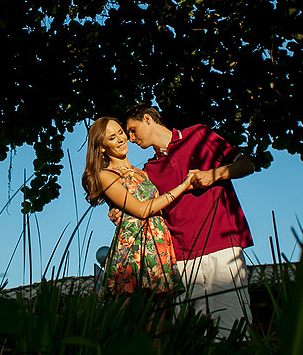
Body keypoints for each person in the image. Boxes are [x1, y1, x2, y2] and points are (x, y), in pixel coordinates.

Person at [118, 104, 256, 339]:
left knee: (234, 326)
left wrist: (212, 175)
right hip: (180, 256)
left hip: (221, 245)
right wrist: (120, 212)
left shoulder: (199, 135)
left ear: (148, 119)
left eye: (132, 130)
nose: (130, 139)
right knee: (191, 334)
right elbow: (147, 208)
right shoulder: (150, 170)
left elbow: (246, 165)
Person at [81, 117, 197, 298]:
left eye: (121, 132)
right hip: (133, 249)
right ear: (102, 147)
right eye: (112, 138)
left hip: (158, 245)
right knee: (131, 317)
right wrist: (183, 186)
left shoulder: (144, 173)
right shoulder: (107, 175)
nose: (120, 139)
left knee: (159, 317)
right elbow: (142, 210)